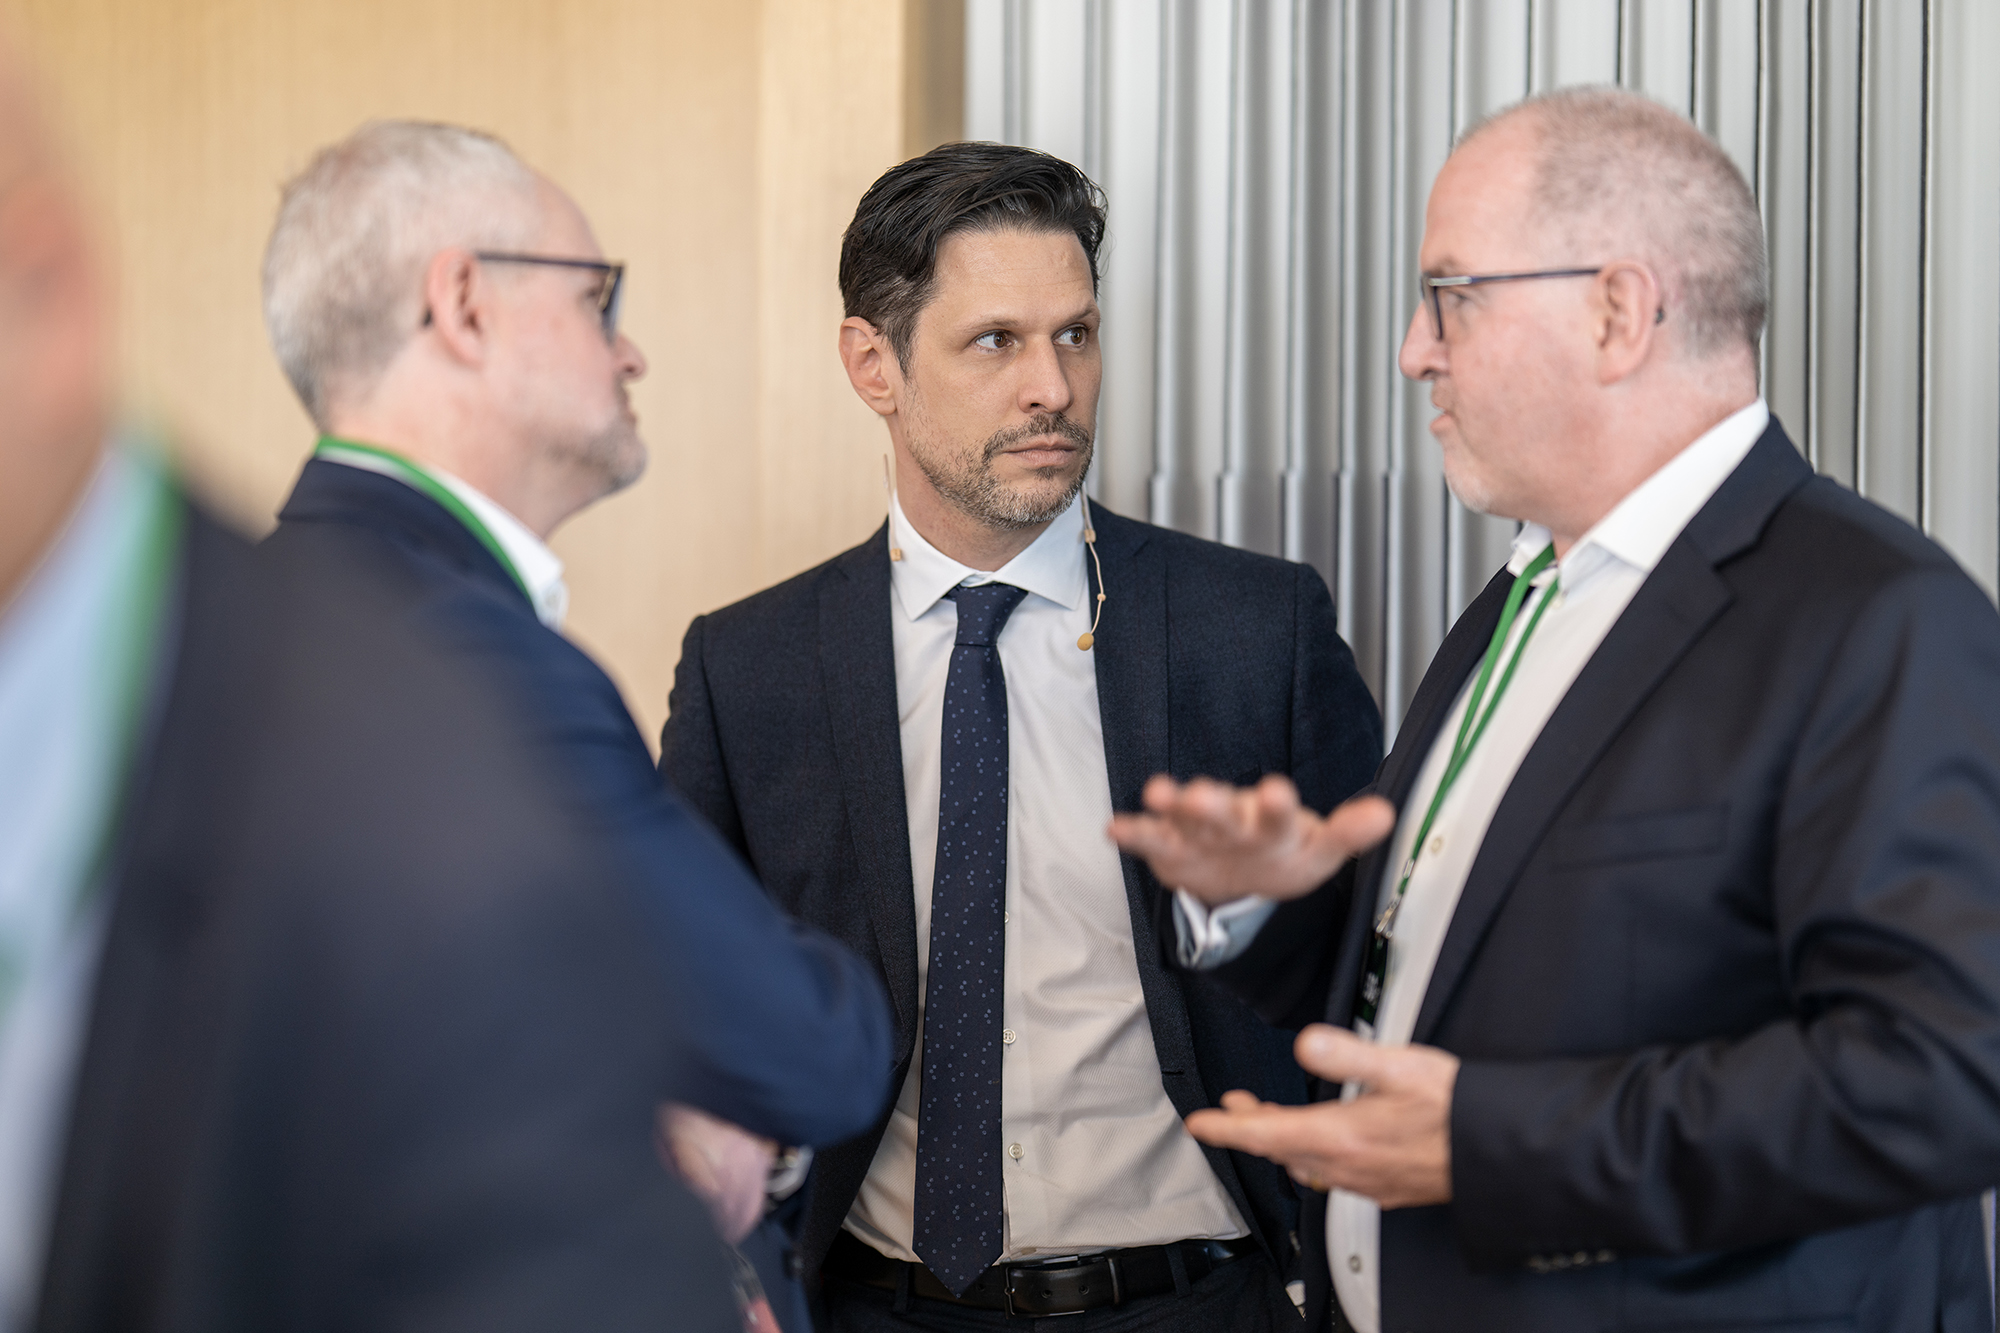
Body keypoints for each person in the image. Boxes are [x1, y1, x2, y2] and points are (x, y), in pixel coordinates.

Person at [1110, 87, 2000, 1333]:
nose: (1414, 350)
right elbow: (1445, 974)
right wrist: (1260, 898)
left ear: (1616, 312)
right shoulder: (1526, 595)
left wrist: (1487, 1145)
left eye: (1450, 295)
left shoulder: (1876, 617)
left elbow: (1936, 1079)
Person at [0, 47, 737, 1333]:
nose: (626, 354)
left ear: (44, 298)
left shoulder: (429, 797)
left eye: (600, 300)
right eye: (593, 304)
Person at [659, 142, 1384, 1330]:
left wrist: (1246, 910)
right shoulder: (748, 669)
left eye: (1075, 335)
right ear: (873, 365)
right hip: (872, 1306)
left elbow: (1378, 965)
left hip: (1195, 1302)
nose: (1052, 386)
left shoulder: (1257, 629)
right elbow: (678, 1002)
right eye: (994, 341)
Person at [254, 120, 896, 1333]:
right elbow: (809, 1044)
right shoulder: (471, 656)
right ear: (463, 305)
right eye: (598, 299)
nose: (630, 350)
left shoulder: (267, 615)